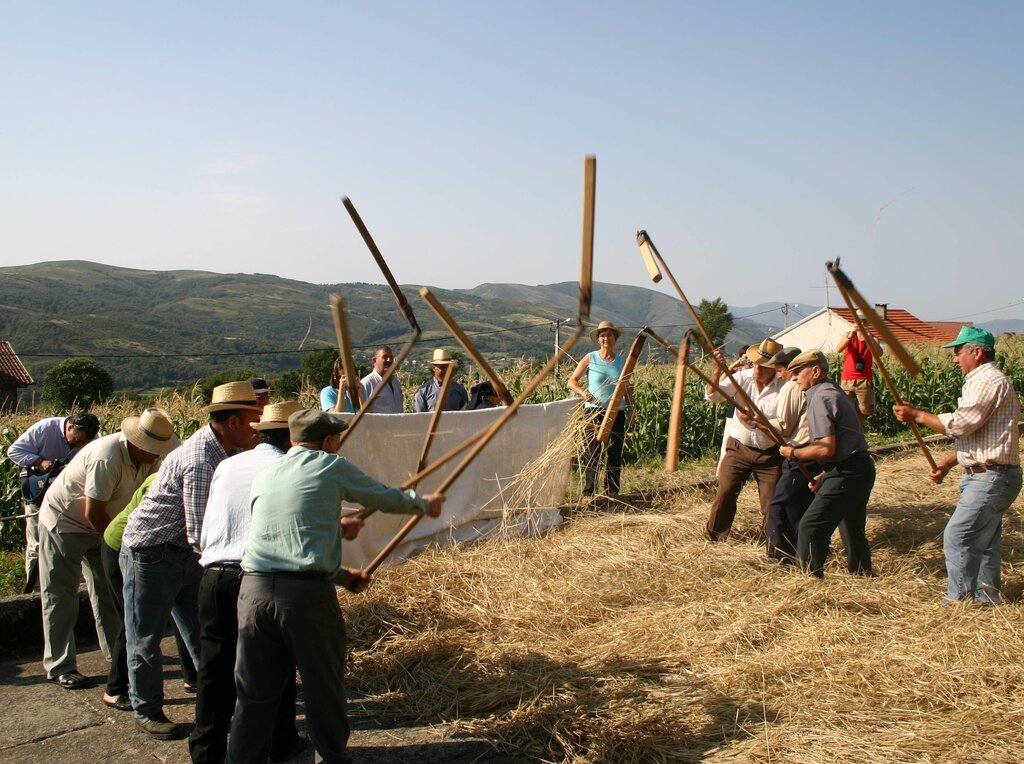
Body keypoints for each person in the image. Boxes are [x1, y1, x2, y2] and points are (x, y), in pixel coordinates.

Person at [225, 409, 445, 764]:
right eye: (337, 438)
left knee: (254, 695)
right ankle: (332, 757)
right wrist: (422, 505)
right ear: (327, 441)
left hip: (253, 592)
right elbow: (381, 497)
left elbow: (291, 537)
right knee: (322, 687)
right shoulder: (331, 466)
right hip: (304, 599)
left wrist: (343, 575)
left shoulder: (268, 473)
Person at [121, 382, 262, 739]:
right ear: (232, 422)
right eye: (251, 420)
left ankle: (219, 700)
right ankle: (147, 709)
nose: (255, 428)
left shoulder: (224, 452)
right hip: (153, 553)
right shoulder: (202, 459)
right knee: (147, 637)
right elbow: (201, 533)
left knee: (201, 633)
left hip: (180, 553)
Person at [189, 401, 305, 764]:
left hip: (212, 574)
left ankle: (206, 752)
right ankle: (280, 741)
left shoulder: (227, 464)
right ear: (291, 437)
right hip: (257, 576)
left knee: (213, 671)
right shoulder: (289, 468)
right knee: (274, 666)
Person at [37, 408, 178, 691]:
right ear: (138, 444)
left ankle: (118, 657)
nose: (157, 454)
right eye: (154, 449)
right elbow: (93, 511)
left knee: (108, 592)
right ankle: (60, 665)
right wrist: (117, 546)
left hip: (105, 525)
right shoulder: (107, 456)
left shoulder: (148, 460)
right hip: (66, 523)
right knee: (60, 595)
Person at [893, 326, 1022, 603]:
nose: (954, 359)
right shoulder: (984, 380)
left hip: (991, 477)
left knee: (958, 536)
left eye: (957, 352)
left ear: (976, 352)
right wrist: (949, 463)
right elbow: (981, 435)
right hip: (992, 474)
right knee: (983, 542)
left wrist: (917, 414)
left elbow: (962, 425)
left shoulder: (987, 380)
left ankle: (959, 602)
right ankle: (988, 599)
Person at [102, 474, 198, 711]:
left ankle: (192, 678)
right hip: (123, 546)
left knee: (184, 619)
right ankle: (115, 689)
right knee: (135, 624)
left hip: (171, 551)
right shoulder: (164, 480)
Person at [781, 349, 874, 578]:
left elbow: (826, 447)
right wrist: (827, 475)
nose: (793, 377)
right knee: (852, 528)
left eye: (797, 372)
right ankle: (862, 575)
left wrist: (793, 452)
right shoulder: (831, 391)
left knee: (811, 526)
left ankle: (808, 580)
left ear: (815, 371)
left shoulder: (821, 396)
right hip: (858, 468)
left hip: (849, 471)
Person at [7, 412, 100, 592]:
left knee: (71, 537)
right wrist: (39, 461)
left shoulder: (92, 439)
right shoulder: (45, 429)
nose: (79, 445)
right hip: (40, 491)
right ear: (70, 427)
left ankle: (73, 584)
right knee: (37, 541)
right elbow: (14, 451)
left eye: (83, 443)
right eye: (77, 440)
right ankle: (34, 589)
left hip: (68, 497)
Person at [703, 338, 785, 540]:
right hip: (739, 447)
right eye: (755, 363)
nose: (757, 368)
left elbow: (784, 423)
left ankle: (771, 542)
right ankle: (714, 537)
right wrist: (716, 370)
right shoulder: (741, 378)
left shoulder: (784, 387)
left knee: (771, 501)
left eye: (763, 366)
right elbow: (713, 396)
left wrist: (756, 420)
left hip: (769, 454)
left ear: (774, 367)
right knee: (725, 491)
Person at [567, 320, 634, 499]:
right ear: (598, 340)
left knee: (614, 453)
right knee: (593, 453)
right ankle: (589, 493)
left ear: (615, 338)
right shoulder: (590, 358)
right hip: (594, 411)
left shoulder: (622, 362)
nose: (606, 338)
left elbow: (627, 388)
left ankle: (612, 493)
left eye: (609, 335)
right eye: (602, 335)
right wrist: (583, 392)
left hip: (616, 412)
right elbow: (571, 381)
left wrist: (631, 411)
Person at [761, 347, 813, 562]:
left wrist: (760, 423)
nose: (779, 374)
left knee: (780, 506)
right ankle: (801, 550)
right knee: (798, 506)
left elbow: (783, 426)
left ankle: (781, 555)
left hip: (800, 452)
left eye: (781, 369)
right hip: (810, 452)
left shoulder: (791, 388)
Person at [836, 315, 882, 423]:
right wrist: (851, 335)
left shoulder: (873, 339)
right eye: (859, 322)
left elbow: (879, 353)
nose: (862, 324)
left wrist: (869, 337)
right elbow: (839, 349)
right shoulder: (848, 335)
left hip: (864, 380)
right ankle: (850, 432)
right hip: (847, 380)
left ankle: (860, 430)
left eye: (864, 322)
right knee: (846, 409)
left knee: (864, 410)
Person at [360, 345, 403, 413]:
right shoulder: (367, 383)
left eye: (391, 357)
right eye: (385, 357)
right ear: (374, 360)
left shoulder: (396, 382)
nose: (389, 360)